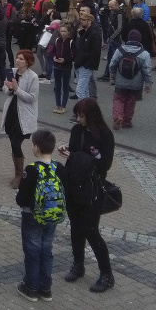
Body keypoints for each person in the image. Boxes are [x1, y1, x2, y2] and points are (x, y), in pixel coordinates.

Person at [58, 97, 115, 293]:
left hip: (92, 189)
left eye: (81, 116)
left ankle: (106, 274)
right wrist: (67, 151)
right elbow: (75, 152)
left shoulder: (105, 135)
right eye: (77, 116)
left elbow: (104, 164)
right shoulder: (77, 131)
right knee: (76, 228)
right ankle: (78, 265)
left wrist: (75, 156)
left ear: (91, 116)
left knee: (91, 231)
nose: (78, 119)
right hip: (74, 186)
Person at [14, 129, 65, 302]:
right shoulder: (59, 167)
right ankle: (46, 288)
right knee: (46, 250)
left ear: (36, 147)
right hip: (52, 215)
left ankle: (31, 286)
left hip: (32, 216)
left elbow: (22, 199)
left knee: (32, 250)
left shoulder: (31, 170)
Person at [1, 49, 39, 188]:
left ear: (28, 62)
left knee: (16, 143)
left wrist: (17, 89)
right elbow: (5, 90)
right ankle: (18, 172)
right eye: (17, 58)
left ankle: (19, 175)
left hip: (24, 115)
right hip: (11, 112)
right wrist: (9, 88)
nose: (18, 60)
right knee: (13, 143)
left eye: (21, 59)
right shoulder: (12, 72)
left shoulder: (33, 77)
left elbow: (32, 98)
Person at [107, 29, 152, 130]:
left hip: (120, 82)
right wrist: (148, 84)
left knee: (118, 99)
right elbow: (147, 70)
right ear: (140, 40)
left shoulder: (120, 50)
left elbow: (112, 64)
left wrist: (112, 76)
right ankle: (126, 121)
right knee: (131, 101)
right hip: (136, 84)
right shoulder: (144, 54)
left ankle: (118, 117)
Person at [74, 12, 101, 100]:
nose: (80, 22)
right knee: (84, 90)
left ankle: (82, 110)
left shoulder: (94, 33)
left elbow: (95, 51)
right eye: (80, 20)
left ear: (89, 21)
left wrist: (87, 64)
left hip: (86, 64)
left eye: (83, 20)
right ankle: (85, 110)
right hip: (80, 63)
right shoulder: (84, 32)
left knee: (80, 90)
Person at [49, 25, 74, 114]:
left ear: (69, 32)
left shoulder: (71, 42)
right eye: (61, 31)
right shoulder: (57, 40)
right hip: (56, 66)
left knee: (65, 86)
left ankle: (63, 105)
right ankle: (58, 105)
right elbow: (52, 52)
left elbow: (74, 56)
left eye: (65, 31)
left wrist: (65, 60)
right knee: (57, 86)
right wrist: (54, 57)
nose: (63, 33)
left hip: (66, 67)